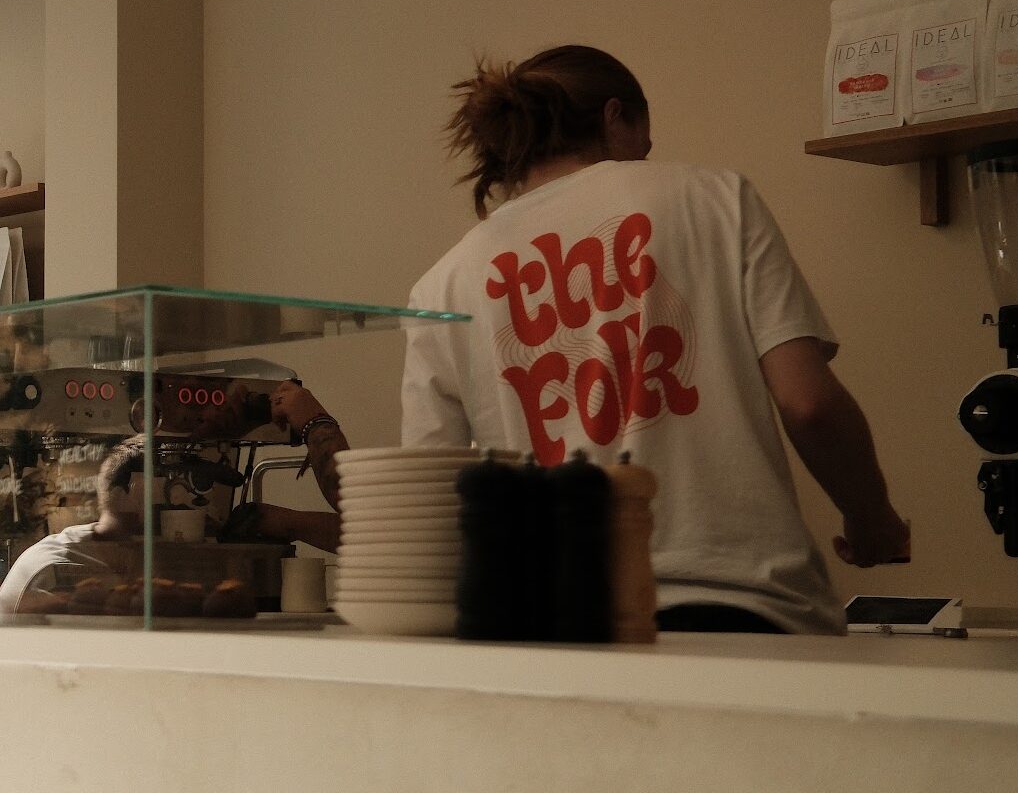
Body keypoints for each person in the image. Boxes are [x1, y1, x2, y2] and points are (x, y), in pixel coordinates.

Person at [285, 44, 908, 634]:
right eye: (643, 141)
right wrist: (871, 518)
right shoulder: (715, 197)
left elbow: (438, 500)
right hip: (738, 608)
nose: (645, 158)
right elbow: (810, 403)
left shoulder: (442, 284)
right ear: (615, 118)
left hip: (543, 622)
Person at [0, 437, 337, 623]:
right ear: (120, 495)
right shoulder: (61, 565)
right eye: (154, 490)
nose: (170, 505)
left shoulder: (117, 555)